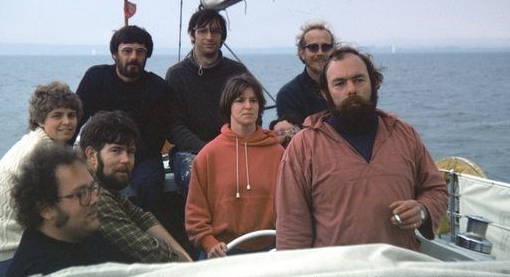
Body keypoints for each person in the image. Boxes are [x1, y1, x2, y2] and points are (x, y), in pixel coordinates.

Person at [275, 46, 448, 251]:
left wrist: (422, 210)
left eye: (358, 80)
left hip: (401, 266)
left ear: (373, 83)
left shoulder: (404, 134)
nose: (351, 89)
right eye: (339, 83)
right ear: (325, 92)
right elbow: (292, 229)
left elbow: (436, 190)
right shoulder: (304, 146)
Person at [76, 25, 174, 220]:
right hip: (99, 152)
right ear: (115, 54)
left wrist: (126, 158)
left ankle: (152, 240)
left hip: (141, 156)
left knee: (149, 185)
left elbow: (157, 136)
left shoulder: (158, 88)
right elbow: (77, 118)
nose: (133, 57)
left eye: (140, 52)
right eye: (127, 50)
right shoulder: (96, 78)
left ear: (147, 55)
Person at [185, 74, 284, 259]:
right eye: (240, 100)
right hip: (223, 251)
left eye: (253, 100)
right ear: (228, 106)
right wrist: (208, 242)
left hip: (271, 249)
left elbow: (290, 205)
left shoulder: (278, 153)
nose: (248, 106)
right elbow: (195, 214)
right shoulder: (208, 155)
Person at [79, 110, 192, 262]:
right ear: (91, 155)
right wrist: (188, 265)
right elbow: (147, 251)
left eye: (130, 151)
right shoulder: (92, 194)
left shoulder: (103, 184)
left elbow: (143, 218)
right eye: (116, 150)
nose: (126, 159)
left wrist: (184, 257)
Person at [0, 81, 82, 276]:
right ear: (40, 120)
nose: (67, 122)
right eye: (57, 115)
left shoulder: (35, 141)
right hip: (9, 252)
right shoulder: (41, 153)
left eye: (72, 114)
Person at [7, 144, 128, 277]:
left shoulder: (82, 232)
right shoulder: (45, 270)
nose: (95, 199)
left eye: (93, 187)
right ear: (46, 209)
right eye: (81, 193)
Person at [165, 8, 248, 198]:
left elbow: (251, 114)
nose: (209, 36)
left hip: (232, 147)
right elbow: (174, 126)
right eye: (202, 31)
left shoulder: (237, 72)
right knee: (199, 177)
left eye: (215, 31)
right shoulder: (177, 75)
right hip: (190, 152)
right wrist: (207, 150)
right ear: (192, 34)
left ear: (222, 36)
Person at [273, 21, 337, 146]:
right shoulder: (288, 94)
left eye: (326, 47)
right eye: (313, 47)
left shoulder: (346, 87)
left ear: (333, 51)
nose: (320, 52)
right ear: (302, 53)